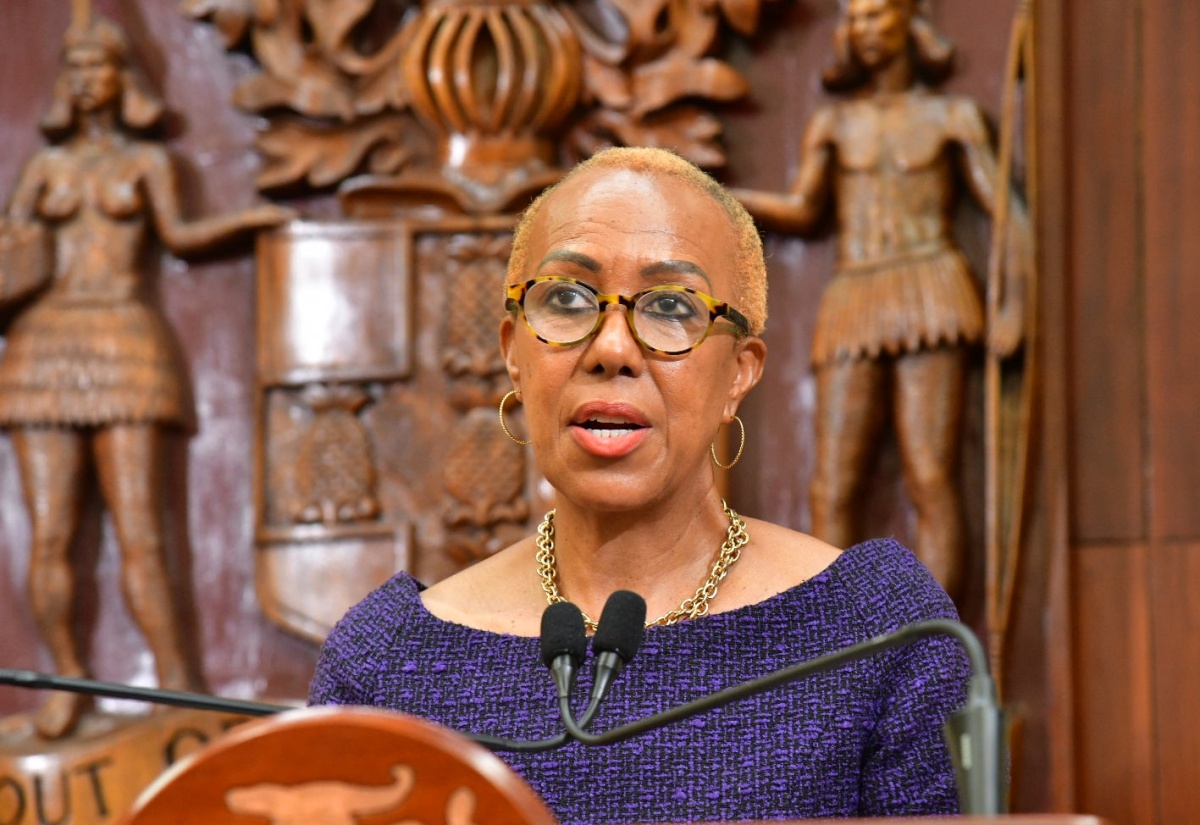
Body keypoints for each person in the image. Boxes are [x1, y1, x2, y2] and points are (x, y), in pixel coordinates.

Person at [309, 146, 970, 822]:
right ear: (513, 350)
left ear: (740, 372)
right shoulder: (389, 661)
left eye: (670, 306)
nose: (613, 349)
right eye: (567, 299)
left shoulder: (874, 629)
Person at [0, 16, 292, 740]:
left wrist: (249, 220)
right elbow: (14, 249)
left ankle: (177, 681)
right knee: (52, 536)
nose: (89, 81)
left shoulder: (149, 164)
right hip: (45, 347)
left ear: (123, 78)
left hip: (126, 338)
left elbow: (182, 234)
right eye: (78, 69)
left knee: (142, 532)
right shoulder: (45, 170)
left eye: (101, 68)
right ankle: (63, 682)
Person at [730, 0, 1029, 600]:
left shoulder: (953, 116)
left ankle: (938, 650)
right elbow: (803, 209)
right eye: (856, 18)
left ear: (908, 22)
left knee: (930, 476)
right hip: (855, 292)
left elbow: (1007, 217)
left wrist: (1014, 303)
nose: (864, 31)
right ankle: (839, 648)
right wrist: (714, 192)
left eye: (877, 15)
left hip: (930, 289)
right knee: (832, 484)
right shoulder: (836, 124)